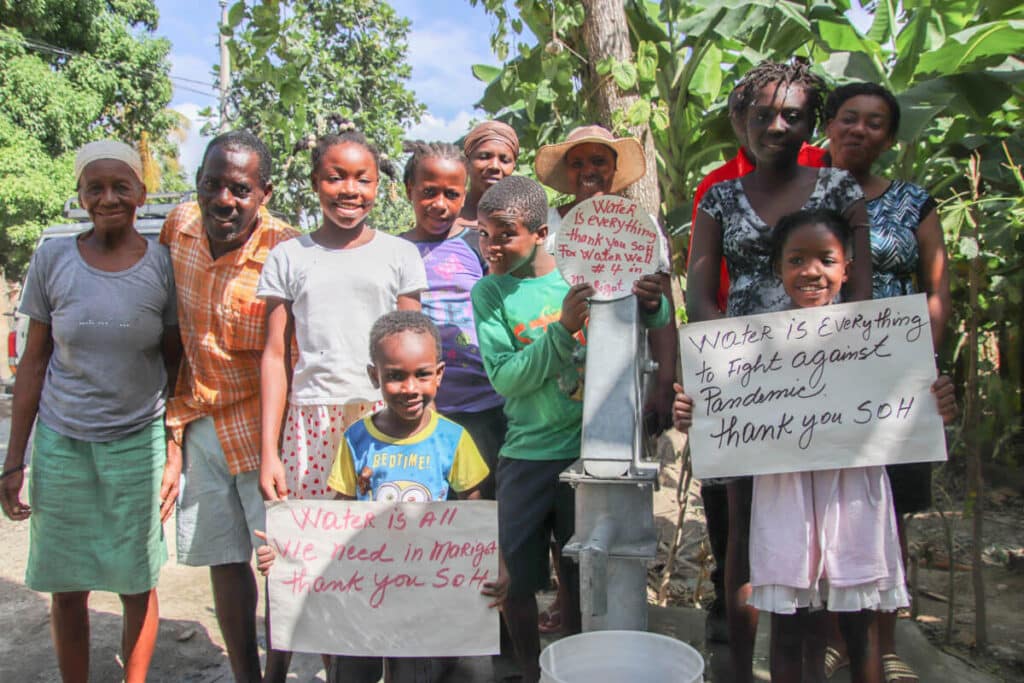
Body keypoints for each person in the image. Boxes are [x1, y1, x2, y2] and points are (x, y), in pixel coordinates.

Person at [675, 208, 956, 683]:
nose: (811, 272)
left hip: (854, 493)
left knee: (858, 626)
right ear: (779, 270)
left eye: (826, 259)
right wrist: (694, 413)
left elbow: (912, 405)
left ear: (848, 267)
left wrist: (938, 401)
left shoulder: (881, 337)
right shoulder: (747, 347)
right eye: (796, 259)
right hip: (784, 494)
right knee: (789, 629)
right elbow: (721, 411)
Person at [686, 60, 873, 683]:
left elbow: (861, 290)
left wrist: (837, 364)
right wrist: (727, 367)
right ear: (743, 118)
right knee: (740, 529)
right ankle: (742, 669)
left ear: (810, 123)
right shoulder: (717, 195)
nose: (776, 125)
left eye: (792, 115)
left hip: (827, 380)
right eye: (763, 114)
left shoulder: (839, 190)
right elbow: (700, 296)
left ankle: (809, 669)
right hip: (747, 385)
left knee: (819, 526)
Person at [471, 175, 671, 682]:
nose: (491, 246)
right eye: (483, 235)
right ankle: (526, 670)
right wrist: (561, 331)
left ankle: (576, 669)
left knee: (581, 573)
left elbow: (641, 324)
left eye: (504, 234)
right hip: (526, 453)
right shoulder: (490, 292)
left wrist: (654, 303)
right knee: (514, 579)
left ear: (541, 233)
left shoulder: (582, 275)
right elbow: (506, 378)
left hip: (587, 456)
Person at [1, 140, 179, 683]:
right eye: (94, 188)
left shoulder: (162, 265)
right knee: (68, 583)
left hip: (137, 443)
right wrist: (14, 462)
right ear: (80, 195)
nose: (108, 198)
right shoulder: (52, 259)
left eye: (120, 186)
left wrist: (174, 450)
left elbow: (177, 367)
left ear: (141, 195)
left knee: (136, 580)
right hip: (63, 443)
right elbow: (32, 364)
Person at [257, 129, 426, 680]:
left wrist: (412, 424)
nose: (349, 189)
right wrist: (269, 451)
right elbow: (276, 357)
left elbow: (411, 343)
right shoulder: (288, 257)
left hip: (384, 422)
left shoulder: (399, 254)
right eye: (335, 176)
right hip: (312, 425)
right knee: (320, 563)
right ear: (314, 183)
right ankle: (339, 668)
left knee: (383, 555)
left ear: (380, 186)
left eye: (362, 178)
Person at [256, 310, 507, 683]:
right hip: (365, 590)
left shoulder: (453, 439)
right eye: (395, 376)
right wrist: (288, 553)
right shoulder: (357, 439)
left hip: (427, 589)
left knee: (415, 671)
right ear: (375, 376)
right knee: (355, 669)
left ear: (439, 374)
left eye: (422, 374)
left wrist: (496, 563)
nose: (410, 387)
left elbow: (475, 512)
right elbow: (336, 518)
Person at [822, 82, 953, 683]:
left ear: (890, 138)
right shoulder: (806, 196)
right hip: (813, 380)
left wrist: (920, 365)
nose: (860, 130)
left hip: (893, 382)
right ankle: (831, 639)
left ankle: (884, 642)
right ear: (828, 125)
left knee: (890, 512)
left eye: (876, 123)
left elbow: (935, 289)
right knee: (822, 510)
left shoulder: (912, 202)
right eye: (850, 118)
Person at [161, 130, 299, 683]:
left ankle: (276, 675)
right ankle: (245, 673)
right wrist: (172, 439)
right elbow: (171, 328)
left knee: (281, 562)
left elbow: (290, 356)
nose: (224, 199)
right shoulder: (178, 226)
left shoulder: (285, 249)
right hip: (201, 423)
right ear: (197, 185)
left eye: (240, 189)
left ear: (263, 192)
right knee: (224, 558)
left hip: (265, 430)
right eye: (212, 184)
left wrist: (278, 448)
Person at [400, 141, 506, 499]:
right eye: (428, 192)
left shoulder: (479, 245)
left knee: (484, 511)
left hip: (484, 403)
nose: (439, 204)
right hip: (420, 406)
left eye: (451, 194)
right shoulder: (394, 251)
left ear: (465, 197)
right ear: (408, 191)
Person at [457, 120, 520, 229]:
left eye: (504, 160)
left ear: (513, 166)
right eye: (484, 157)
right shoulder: (446, 214)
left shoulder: (522, 220)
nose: (494, 166)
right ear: (467, 162)